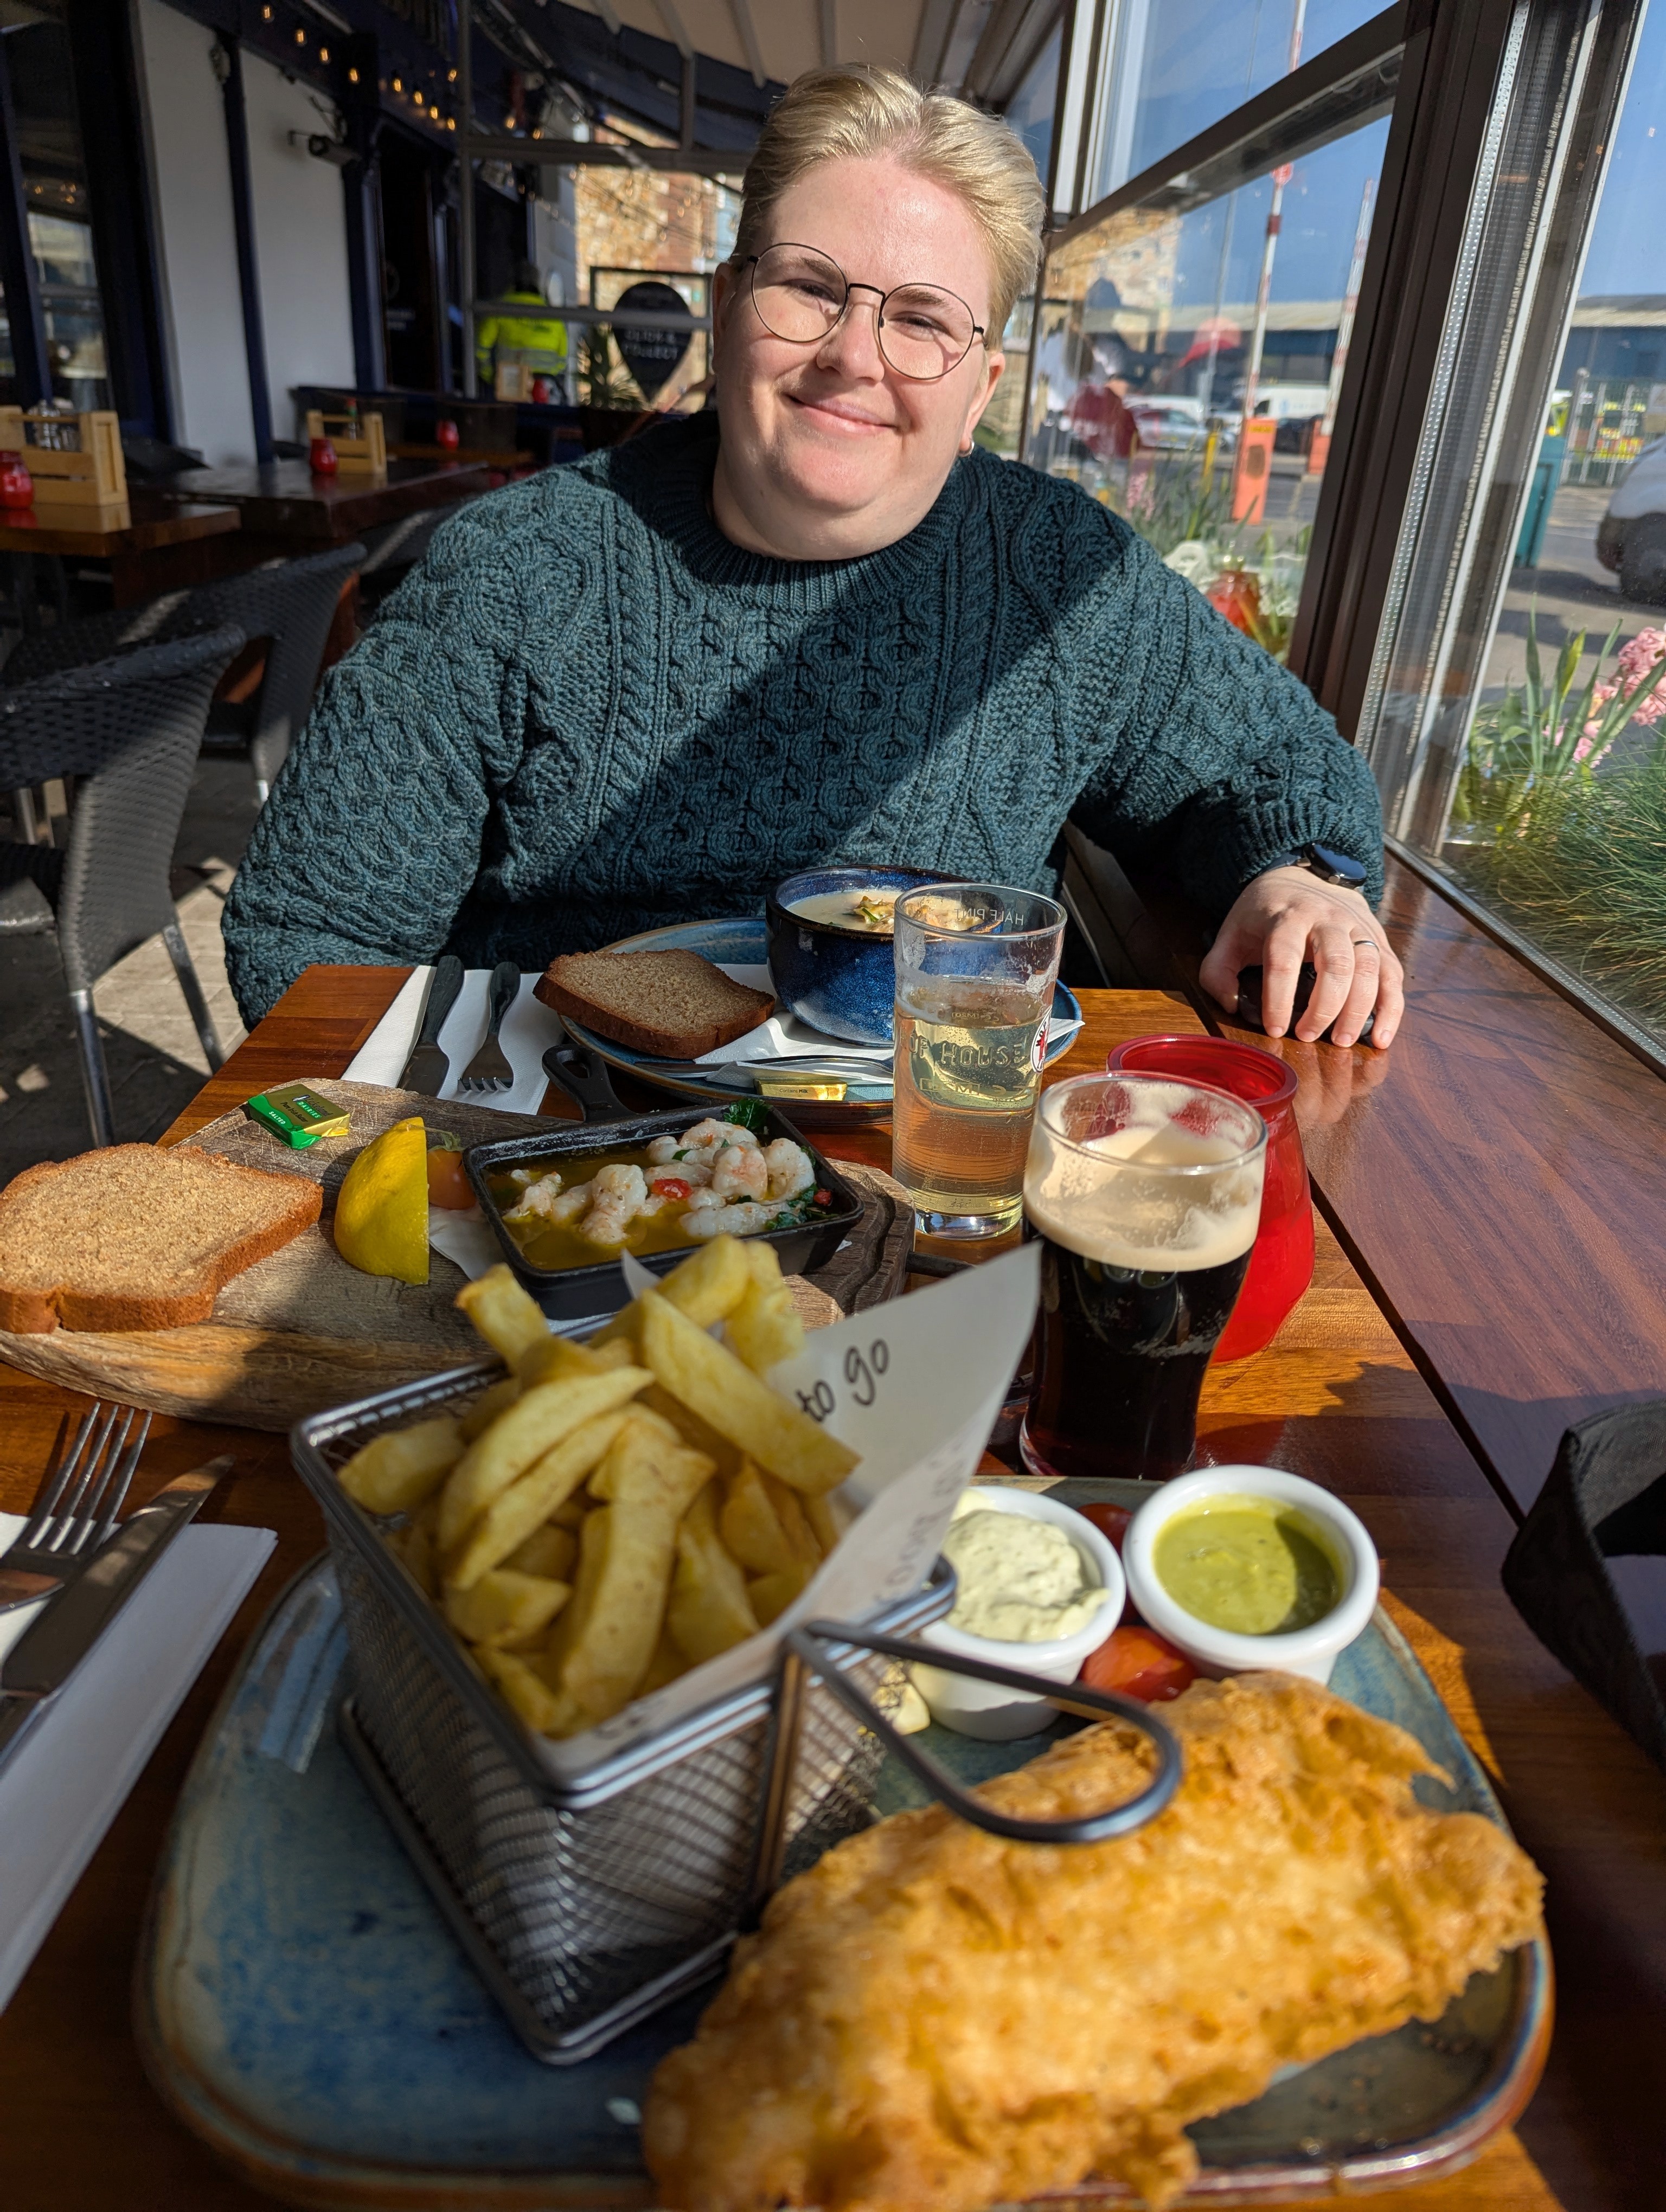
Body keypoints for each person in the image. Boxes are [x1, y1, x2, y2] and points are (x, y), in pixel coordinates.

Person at [224, 67, 1403, 1052]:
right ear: (731, 303)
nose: (855, 356)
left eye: (925, 319)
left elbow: (1269, 759)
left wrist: (1300, 877)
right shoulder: (518, 570)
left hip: (924, 1173)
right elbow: (308, 937)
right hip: (562, 1165)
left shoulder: (1061, 576)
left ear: (985, 385)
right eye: (809, 288)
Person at [474, 260, 568, 395]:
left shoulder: (500, 309)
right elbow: (562, 361)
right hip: (545, 390)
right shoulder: (554, 318)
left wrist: (490, 377)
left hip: (510, 386)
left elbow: (481, 348)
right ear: (537, 285)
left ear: (513, 283)